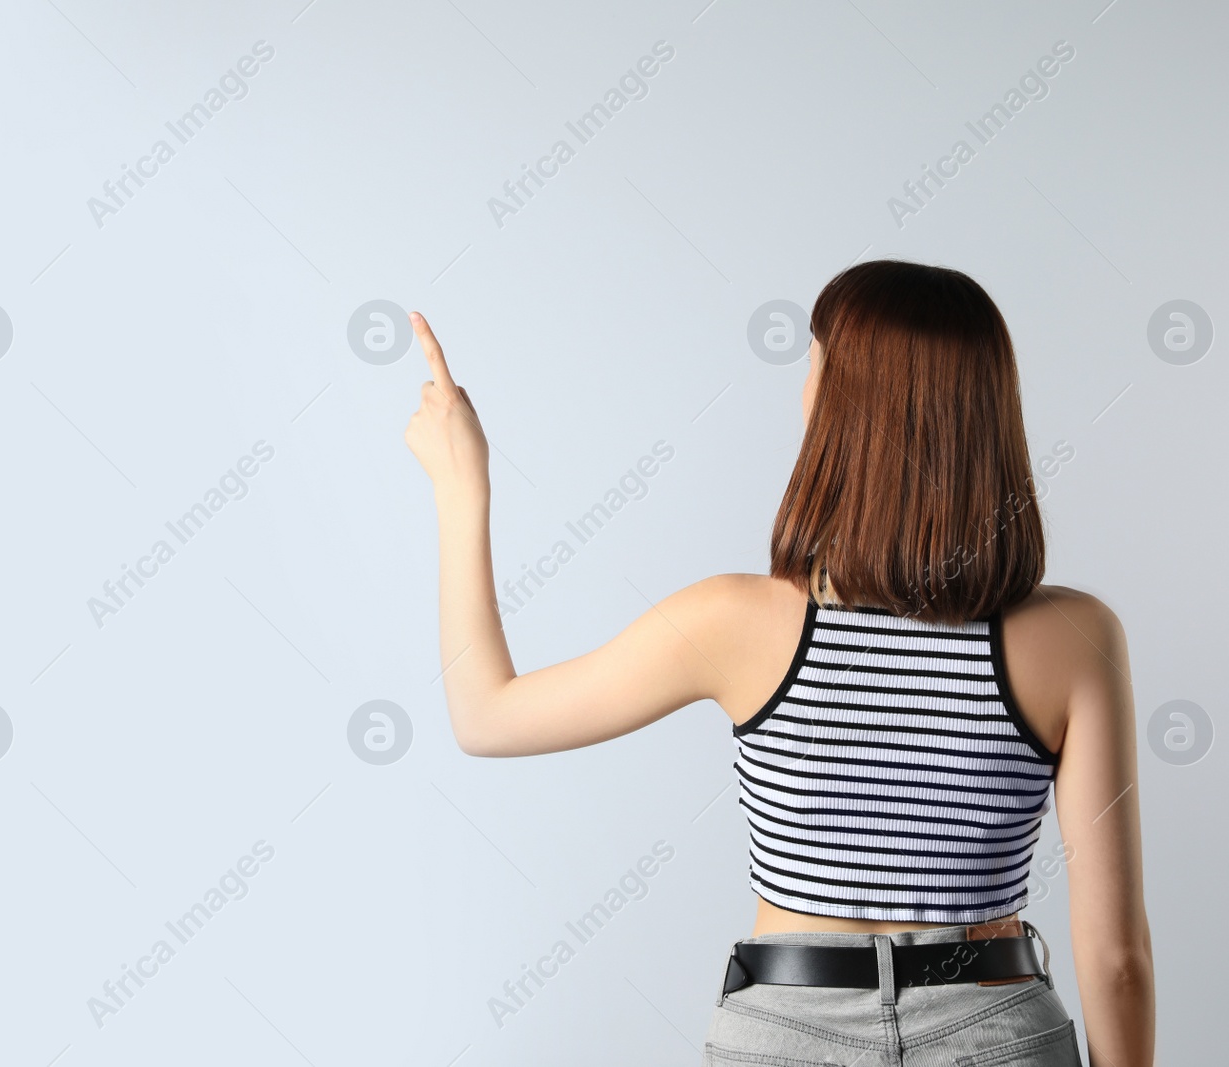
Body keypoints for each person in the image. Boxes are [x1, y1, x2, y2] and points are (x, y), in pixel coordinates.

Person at [405, 259, 1155, 1065]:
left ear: (845, 407)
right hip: (993, 1025)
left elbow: (485, 715)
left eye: (814, 364)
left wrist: (460, 489)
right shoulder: (1078, 637)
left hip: (786, 1032)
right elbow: (1115, 958)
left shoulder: (735, 620)